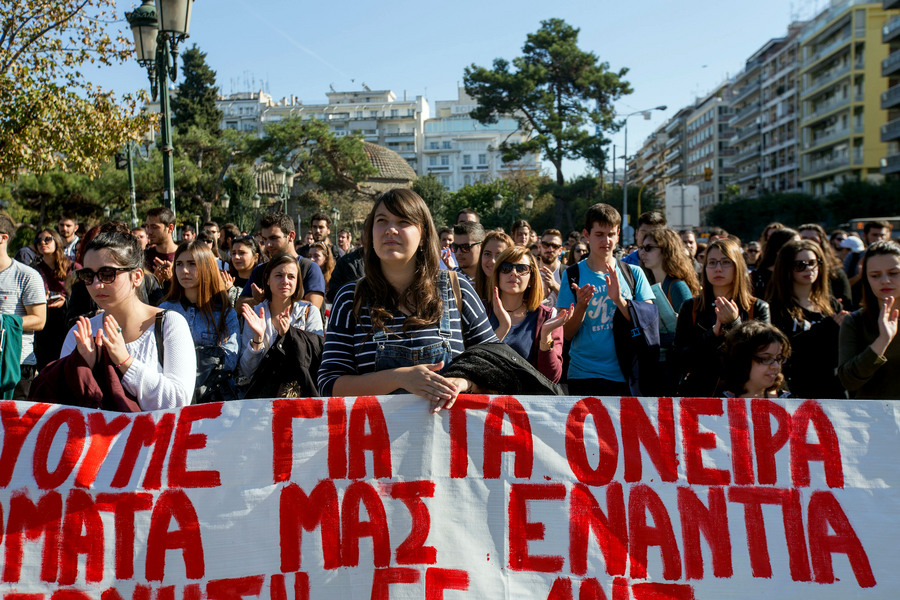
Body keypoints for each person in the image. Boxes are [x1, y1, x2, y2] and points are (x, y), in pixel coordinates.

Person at [318, 189, 497, 408]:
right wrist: (400, 378)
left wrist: (464, 383)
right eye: (382, 221)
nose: (390, 230)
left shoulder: (458, 290)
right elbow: (328, 384)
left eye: (403, 221)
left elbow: (497, 367)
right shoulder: (350, 299)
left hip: (450, 439)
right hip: (374, 439)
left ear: (423, 236)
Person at [57, 229, 196, 410]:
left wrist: (125, 362)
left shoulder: (169, 323)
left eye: (107, 274)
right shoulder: (81, 333)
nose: (97, 284)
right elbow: (63, 406)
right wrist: (83, 369)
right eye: (88, 275)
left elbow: (178, 401)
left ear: (137, 277)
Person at [557, 203, 655, 396]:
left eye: (611, 234)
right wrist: (581, 307)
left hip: (626, 374)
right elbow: (565, 334)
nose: (606, 240)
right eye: (599, 234)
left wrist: (619, 299)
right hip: (583, 374)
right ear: (587, 235)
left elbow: (648, 322)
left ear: (618, 235)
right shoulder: (572, 275)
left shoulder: (633, 273)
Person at [674, 238, 771, 397]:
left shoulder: (758, 307)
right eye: (712, 262)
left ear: (737, 267)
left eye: (726, 262)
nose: (718, 268)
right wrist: (712, 334)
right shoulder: (691, 307)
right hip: (699, 395)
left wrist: (734, 325)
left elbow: (762, 357)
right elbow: (680, 358)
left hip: (744, 396)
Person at [159, 241, 240, 403]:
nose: (184, 271)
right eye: (179, 264)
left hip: (212, 400)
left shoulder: (225, 312)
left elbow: (230, 359)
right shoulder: (164, 310)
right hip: (171, 398)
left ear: (206, 267)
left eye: (192, 264)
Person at [767, 239, 846, 398]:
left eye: (813, 263)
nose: (808, 269)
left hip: (833, 387)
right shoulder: (776, 308)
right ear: (786, 268)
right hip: (798, 388)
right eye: (800, 265)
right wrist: (826, 329)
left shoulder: (832, 305)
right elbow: (785, 351)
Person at [240, 253, 324, 391]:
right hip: (262, 399)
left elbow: (316, 359)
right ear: (267, 279)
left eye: (291, 276)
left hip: (301, 395)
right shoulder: (256, 314)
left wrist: (290, 336)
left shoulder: (309, 312)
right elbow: (246, 370)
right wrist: (257, 340)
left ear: (298, 282)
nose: (285, 281)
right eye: (278, 275)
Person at [486, 245, 570, 382]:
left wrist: (545, 336)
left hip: (525, 400)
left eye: (521, 269)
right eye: (506, 268)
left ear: (531, 279)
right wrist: (502, 327)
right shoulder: (481, 310)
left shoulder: (547, 317)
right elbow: (472, 360)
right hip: (485, 397)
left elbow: (552, 377)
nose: (513, 273)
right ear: (497, 274)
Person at [838, 240, 900, 398]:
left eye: (893, 273)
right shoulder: (854, 321)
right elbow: (848, 381)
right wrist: (882, 340)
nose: (885, 280)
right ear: (866, 279)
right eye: (875, 275)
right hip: (872, 419)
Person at [639, 228, 700, 386]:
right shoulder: (649, 284)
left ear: (666, 250)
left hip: (673, 370)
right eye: (641, 248)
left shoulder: (677, 286)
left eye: (649, 248)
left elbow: (690, 333)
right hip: (657, 367)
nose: (642, 253)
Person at [238, 212, 326, 312]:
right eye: (265, 239)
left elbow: (312, 309)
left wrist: (269, 300)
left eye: (274, 238)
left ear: (291, 236)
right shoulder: (260, 270)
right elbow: (239, 305)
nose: (268, 244)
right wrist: (257, 301)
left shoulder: (309, 268)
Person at [0, 215, 46, 399]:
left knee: (14, 427)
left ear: (3, 238)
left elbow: (39, 320)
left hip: (17, 364)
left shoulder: (27, 275)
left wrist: (3, 321)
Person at [32, 228, 72, 370]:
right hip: (44, 327)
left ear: (57, 241)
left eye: (47, 239)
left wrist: (65, 300)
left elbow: (83, 299)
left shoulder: (72, 267)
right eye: (38, 241)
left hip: (66, 324)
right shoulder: (33, 270)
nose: (43, 243)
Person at [719, 321, 791, 398]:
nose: (776, 366)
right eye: (766, 359)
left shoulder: (789, 403)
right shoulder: (718, 404)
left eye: (779, 358)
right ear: (742, 360)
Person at [798, 222, 852, 308]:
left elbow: (847, 303)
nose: (808, 243)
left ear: (821, 243)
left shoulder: (835, 272)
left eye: (813, 239)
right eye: (804, 239)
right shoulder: (789, 271)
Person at [751, 227, 799, 300]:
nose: (800, 250)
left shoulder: (800, 275)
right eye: (794, 246)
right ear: (778, 249)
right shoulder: (756, 278)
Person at [474, 230, 514, 303]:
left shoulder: (516, 295)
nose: (493, 261)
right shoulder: (471, 291)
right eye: (487, 254)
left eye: (499, 256)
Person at [144, 207, 179, 284]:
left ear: (170, 228)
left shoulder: (184, 255)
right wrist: (154, 282)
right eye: (147, 226)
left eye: (154, 227)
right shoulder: (144, 257)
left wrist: (170, 278)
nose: (149, 232)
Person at [538, 229, 564, 305]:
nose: (550, 249)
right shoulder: (530, 272)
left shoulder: (568, 272)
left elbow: (573, 301)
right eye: (546, 245)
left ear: (560, 250)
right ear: (539, 247)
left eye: (555, 246)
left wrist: (554, 285)